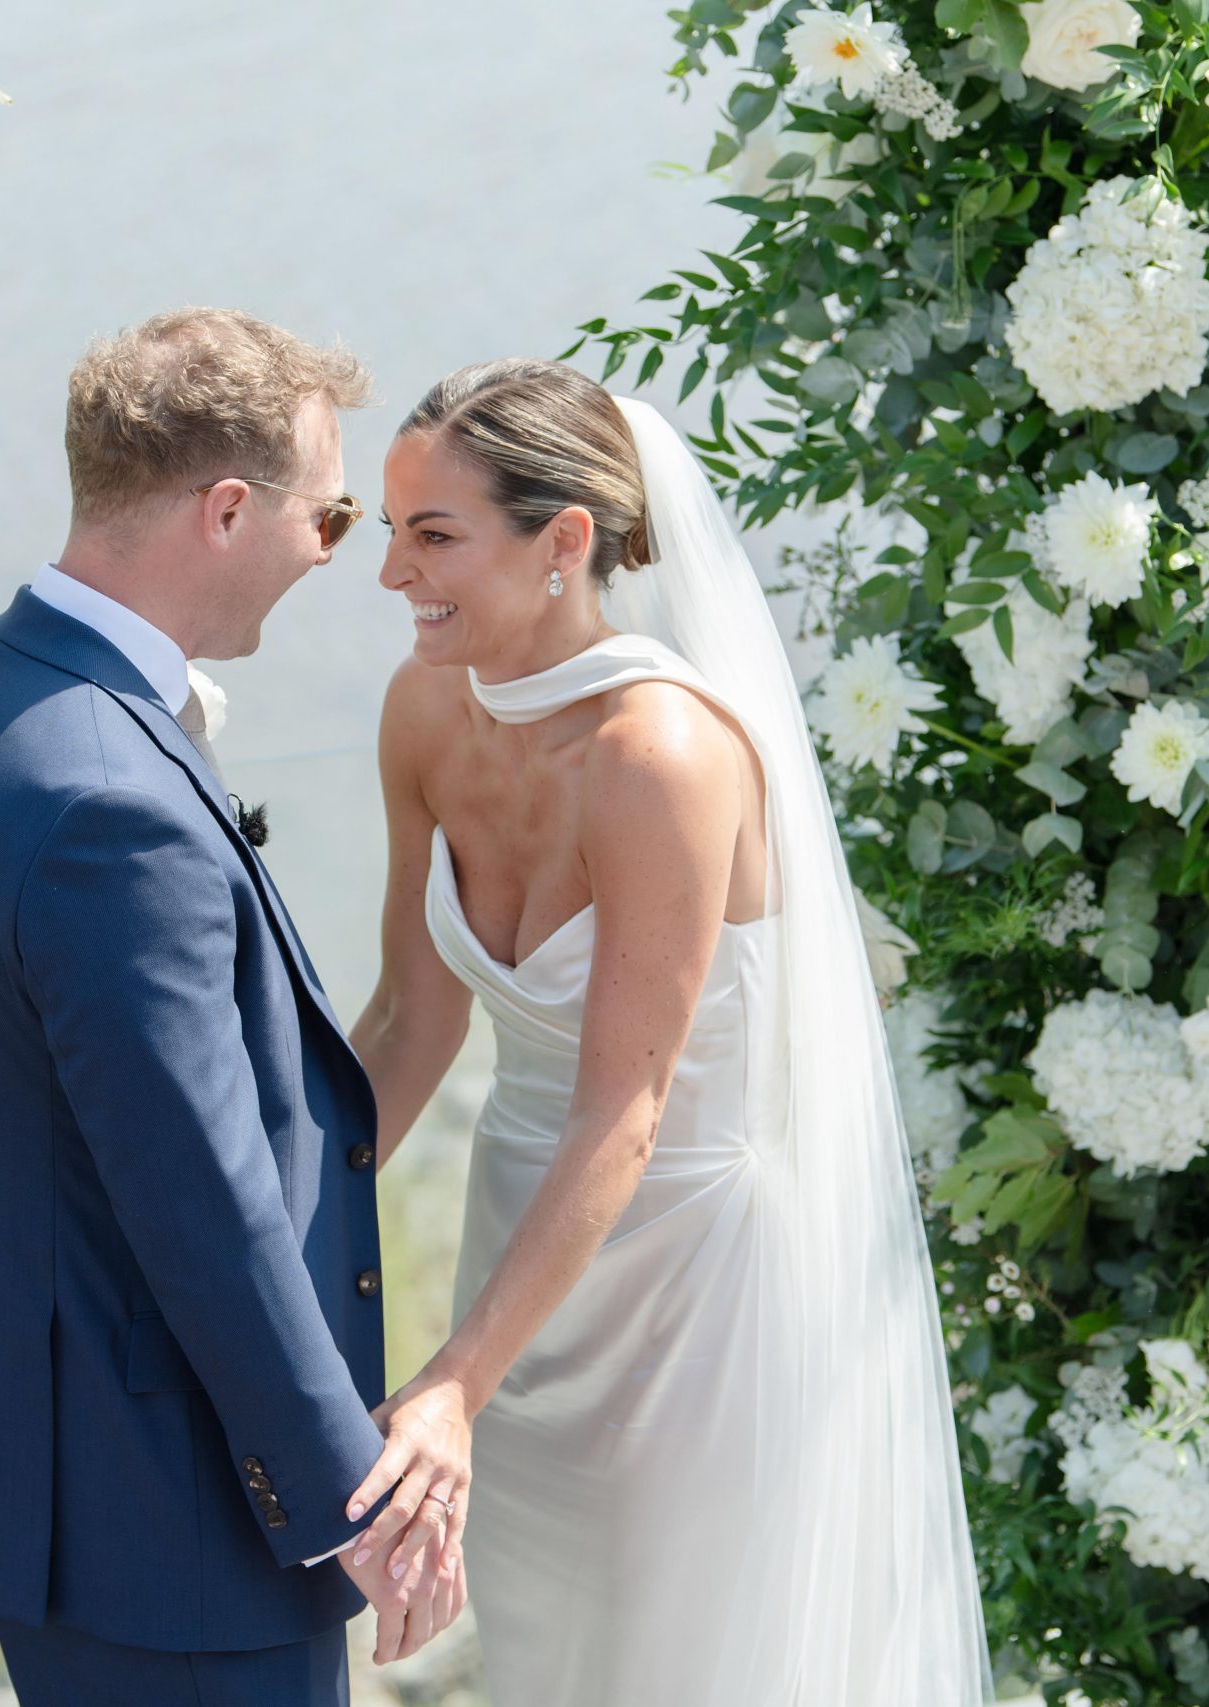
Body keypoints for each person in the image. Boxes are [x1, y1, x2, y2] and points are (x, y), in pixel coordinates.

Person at [346, 359, 993, 1703]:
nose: (393, 574)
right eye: (389, 529)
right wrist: (269, 1222)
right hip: (519, 1243)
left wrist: (452, 1384)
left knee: (685, 1660)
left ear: (565, 543)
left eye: (436, 536)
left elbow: (624, 1112)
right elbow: (411, 1022)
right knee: (552, 1656)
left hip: (694, 1285)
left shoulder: (663, 758)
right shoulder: (423, 712)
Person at [0, 309, 462, 1707]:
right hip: (167, 1511)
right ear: (228, 509)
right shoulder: (111, 806)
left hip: (31, 1459)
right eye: (330, 517)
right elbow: (200, 1200)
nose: (341, 558)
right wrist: (345, 1499)